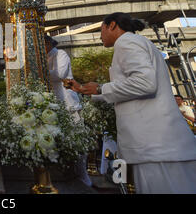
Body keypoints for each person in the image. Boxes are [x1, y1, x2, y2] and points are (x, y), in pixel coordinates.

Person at [69, 12, 196, 194]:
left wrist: (101, 88)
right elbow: (132, 88)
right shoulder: (139, 42)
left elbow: (145, 83)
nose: (99, 35)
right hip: (161, 146)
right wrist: (87, 90)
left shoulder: (126, 42)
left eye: (101, 29)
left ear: (112, 25)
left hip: (154, 146)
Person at [44, 35, 92, 187]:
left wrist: (39, 71)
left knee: (76, 141)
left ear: (48, 43)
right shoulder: (44, 58)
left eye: (42, 43)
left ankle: (83, 177)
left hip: (68, 104)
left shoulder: (61, 54)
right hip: (53, 107)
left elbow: (60, 74)